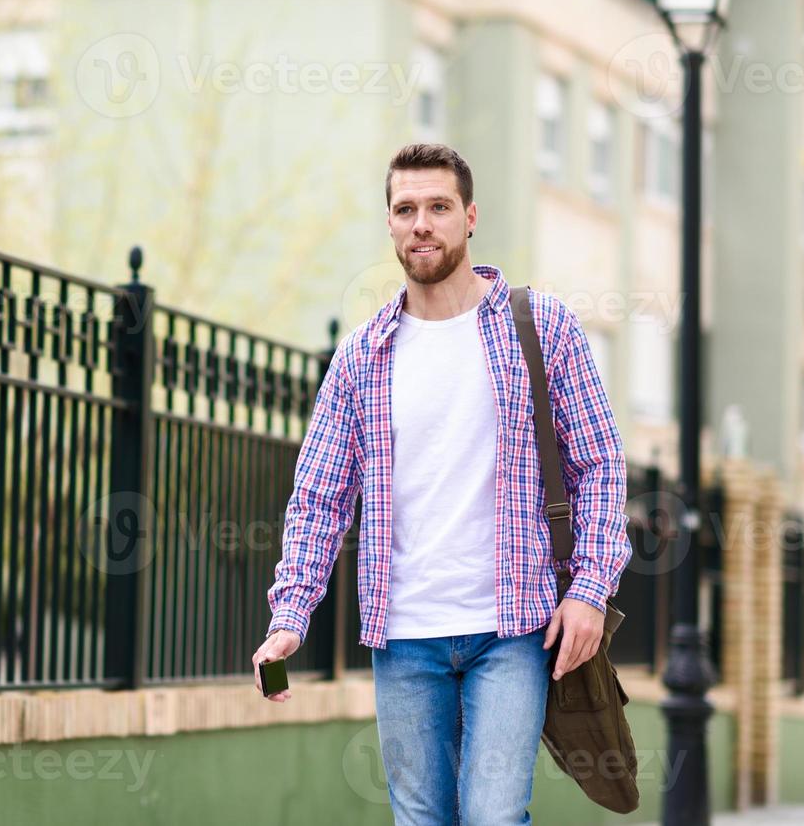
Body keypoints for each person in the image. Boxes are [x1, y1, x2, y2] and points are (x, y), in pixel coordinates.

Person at [252, 143, 633, 825]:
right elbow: (318, 497)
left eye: (437, 207)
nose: (421, 222)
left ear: (469, 217)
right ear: (390, 225)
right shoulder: (362, 354)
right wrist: (289, 616)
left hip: (512, 628)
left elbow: (599, 465)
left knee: (492, 815)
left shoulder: (539, 327)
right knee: (421, 819)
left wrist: (589, 590)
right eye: (405, 209)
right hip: (403, 634)